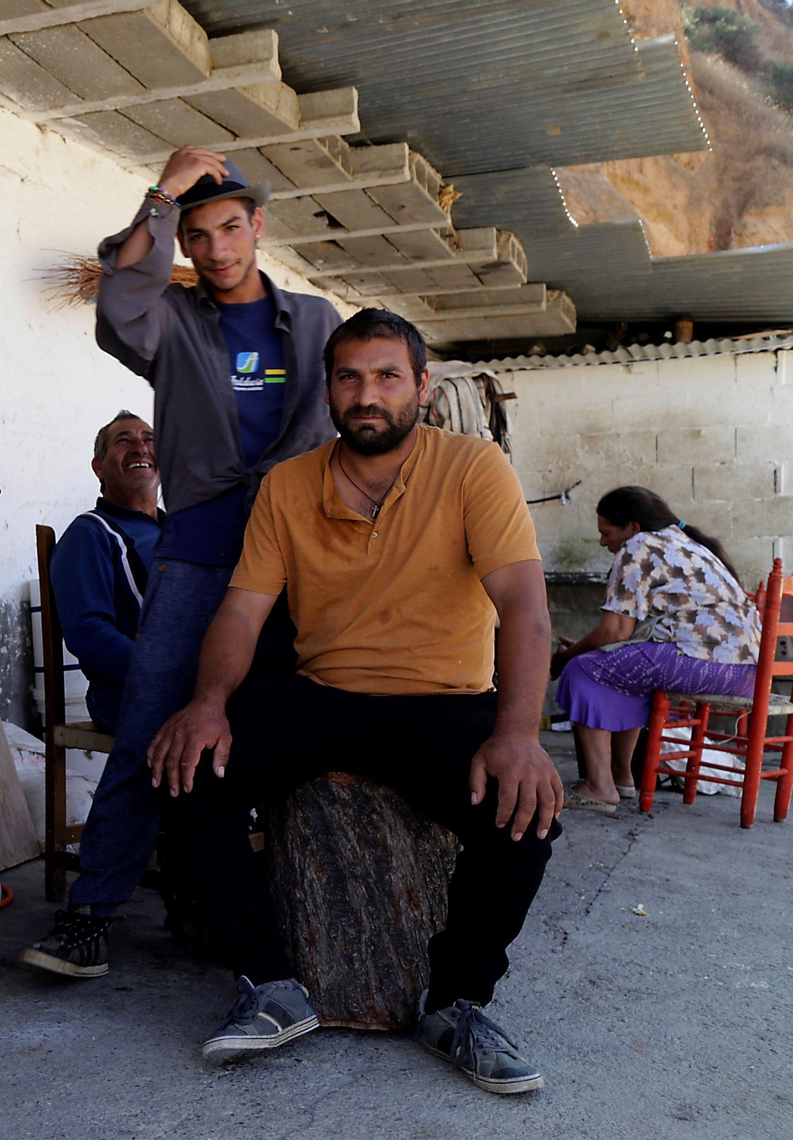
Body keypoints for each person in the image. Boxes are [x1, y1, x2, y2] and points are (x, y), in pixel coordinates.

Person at [149, 309, 562, 1094]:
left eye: (386, 376)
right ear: (328, 390)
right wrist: (207, 703)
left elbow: (526, 608)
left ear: (421, 387)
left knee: (523, 813)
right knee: (189, 768)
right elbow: (241, 609)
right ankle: (270, 985)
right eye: (349, 378)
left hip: (443, 699)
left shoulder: (475, 469)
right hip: (322, 692)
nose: (366, 394)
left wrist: (518, 732)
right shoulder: (289, 484)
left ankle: (458, 1002)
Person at [22, 147, 337, 979]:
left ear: (258, 226)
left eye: (230, 226)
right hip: (197, 550)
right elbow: (119, 300)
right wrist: (159, 194)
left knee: (313, 730)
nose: (217, 246)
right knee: (148, 726)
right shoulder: (172, 321)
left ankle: (302, 914)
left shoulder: (315, 321)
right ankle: (89, 917)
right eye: (197, 234)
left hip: (304, 551)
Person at [552, 486, 760, 812]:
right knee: (620, 668)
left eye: (606, 533)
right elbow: (627, 636)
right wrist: (582, 648)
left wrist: (565, 657)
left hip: (707, 664)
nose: (603, 542)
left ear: (632, 527)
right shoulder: (686, 544)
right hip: (745, 671)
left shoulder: (639, 546)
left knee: (582, 670)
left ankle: (599, 786)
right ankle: (622, 778)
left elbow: (614, 630)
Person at [48, 412, 161, 734]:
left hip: (198, 689)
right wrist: (165, 671)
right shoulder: (91, 533)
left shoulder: (182, 532)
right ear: (99, 467)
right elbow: (87, 632)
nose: (140, 447)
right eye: (124, 440)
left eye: (149, 439)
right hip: (130, 696)